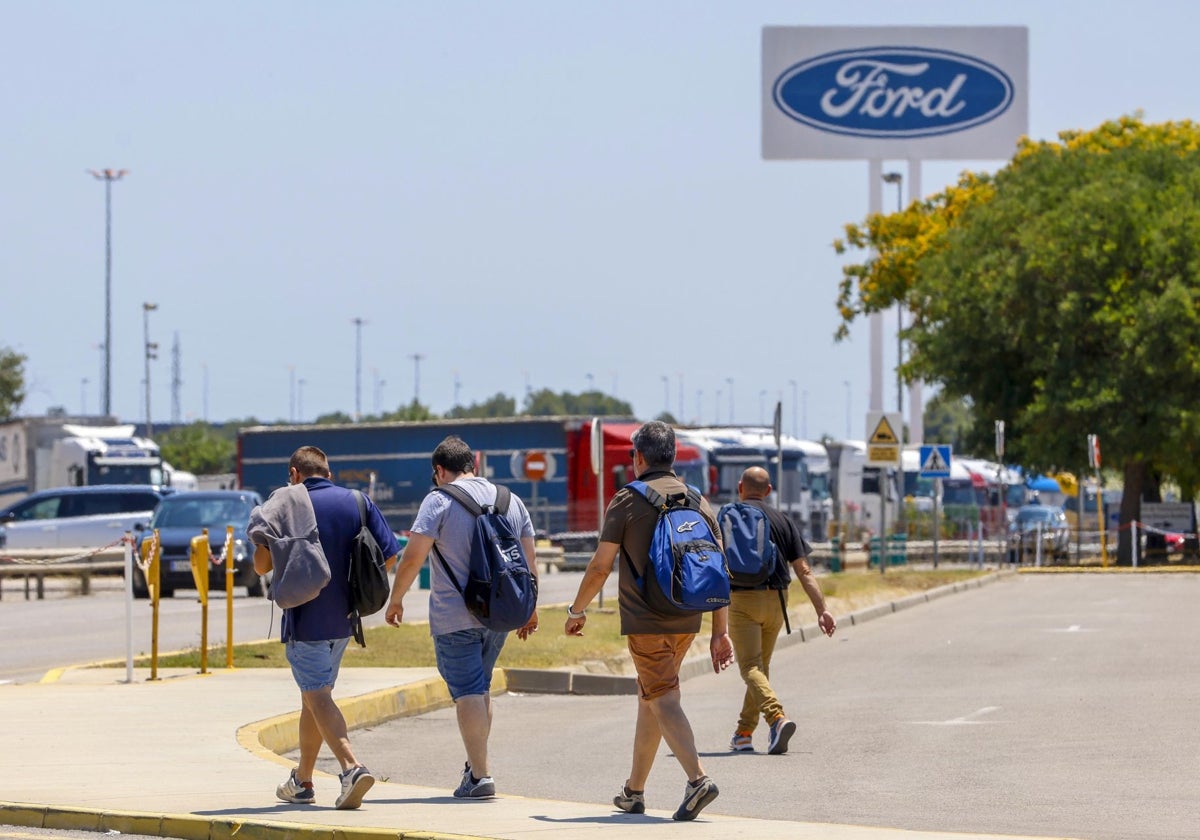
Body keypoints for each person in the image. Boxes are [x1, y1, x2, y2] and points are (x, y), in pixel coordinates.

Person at [564, 420, 734, 822]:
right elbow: (719, 568)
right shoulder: (698, 500)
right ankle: (634, 791)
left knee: (662, 697)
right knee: (652, 698)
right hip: (687, 617)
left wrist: (577, 610)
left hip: (646, 621)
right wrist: (719, 632)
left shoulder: (627, 499)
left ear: (638, 457)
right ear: (672, 457)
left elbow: (600, 566)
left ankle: (697, 780)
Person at [385, 435, 539, 799]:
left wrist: (396, 599)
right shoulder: (510, 500)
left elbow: (413, 557)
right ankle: (475, 766)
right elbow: (528, 563)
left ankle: (481, 775)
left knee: (468, 691)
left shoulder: (438, 500)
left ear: (439, 470)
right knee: (480, 688)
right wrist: (529, 609)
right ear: (475, 465)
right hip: (500, 615)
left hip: (455, 616)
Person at [250, 445, 400, 809]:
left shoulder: (285, 503)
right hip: (344, 621)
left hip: (305, 619)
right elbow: (390, 554)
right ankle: (303, 780)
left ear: (294, 473)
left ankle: (352, 768)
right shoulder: (356, 501)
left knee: (317, 696)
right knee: (312, 699)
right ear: (328, 473)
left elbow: (260, 567)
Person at [726, 466, 836, 755]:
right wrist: (821, 610)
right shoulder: (783, 520)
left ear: (740, 488)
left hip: (741, 601)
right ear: (769, 491)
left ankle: (776, 718)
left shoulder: (728, 517)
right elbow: (804, 570)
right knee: (759, 668)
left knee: (750, 667)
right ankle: (743, 733)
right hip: (777, 600)